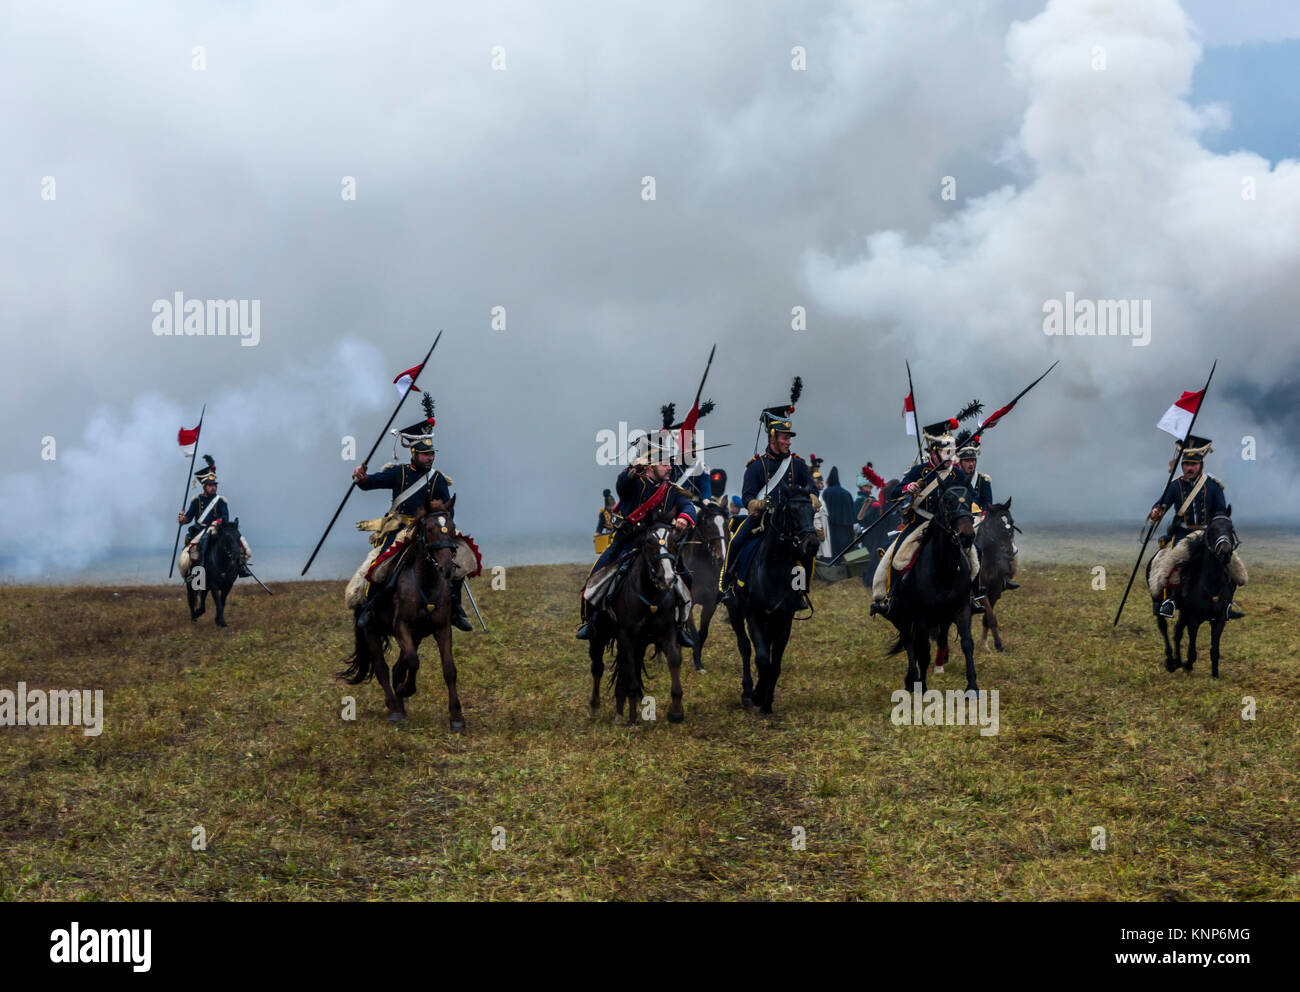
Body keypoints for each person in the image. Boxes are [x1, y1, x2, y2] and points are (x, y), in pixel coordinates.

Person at [347, 395, 472, 631]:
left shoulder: (437, 479)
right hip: (398, 531)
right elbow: (368, 482)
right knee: (379, 566)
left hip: (430, 531)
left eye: (432, 454)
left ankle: (455, 609)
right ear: (414, 453)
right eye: (426, 454)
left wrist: (446, 529)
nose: (430, 457)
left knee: (456, 561)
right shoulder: (398, 473)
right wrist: (361, 477)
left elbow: (448, 508)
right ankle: (371, 609)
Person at [576, 431, 698, 645]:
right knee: (597, 575)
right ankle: (592, 621)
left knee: (686, 578)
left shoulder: (671, 489)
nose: (670, 467)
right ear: (650, 466)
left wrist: (685, 518)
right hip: (629, 542)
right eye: (665, 464)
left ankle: (679, 625)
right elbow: (622, 484)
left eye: (670, 463)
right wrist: (634, 469)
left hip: (659, 545)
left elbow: (687, 504)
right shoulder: (633, 483)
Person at [869, 419, 980, 618]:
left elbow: (970, 497)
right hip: (919, 524)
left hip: (948, 527)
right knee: (895, 557)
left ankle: (970, 597)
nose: (950, 456)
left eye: (951, 451)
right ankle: (888, 598)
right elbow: (894, 493)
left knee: (975, 556)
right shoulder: (918, 472)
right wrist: (908, 488)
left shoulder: (957, 474)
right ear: (934, 451)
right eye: (946, 451)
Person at [719, 377, 815, 604]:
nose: (788, 442)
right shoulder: (756, 466)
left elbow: (810, 484)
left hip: (789, 522)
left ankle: (799, 590)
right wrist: (753, 504)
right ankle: (726, 585)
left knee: (806, 554)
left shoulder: (797, 464)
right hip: (761, 519)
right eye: (784, 438)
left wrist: (812, 495)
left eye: (789, 438)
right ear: (772, 437)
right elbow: (747, 495)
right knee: (736, 542)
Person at [1147, 435, 1244, 620]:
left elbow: (1221, 512)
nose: (1189, 468)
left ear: (1201, 465)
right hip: (1183, 534)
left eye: (1194, 464)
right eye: (1186, 464)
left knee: (1231, 565)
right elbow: (1161, 504)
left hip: (1208, 533)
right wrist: (1156, 512)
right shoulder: (1175, 486)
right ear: (1181, 465)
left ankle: (1227, 604)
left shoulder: (1213, 486)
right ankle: (1170, 602)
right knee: (1171, 565)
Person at [956, 435, 1019, 592]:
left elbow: (987, 503)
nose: (971, 464)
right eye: (967, 461)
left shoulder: (983, 480)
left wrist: (983, 515)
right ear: (960, 462)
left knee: (1002, 539)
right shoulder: (955, 478)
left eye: (973, 460)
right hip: (960, 519)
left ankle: (1003, 577)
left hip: (979, 518)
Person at [176, 455, 251, 579]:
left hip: (218, 529)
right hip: (201, 530)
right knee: (193, 550)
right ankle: (195, 576)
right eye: (210, 485)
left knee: (242, 545)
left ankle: (241, 567)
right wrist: (182, 520)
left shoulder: (221, 500)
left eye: (214, 485)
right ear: (204, 486)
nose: (214, 487)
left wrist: (218, 522)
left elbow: (225, 517)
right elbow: (188, 517)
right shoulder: (196, 500)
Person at [822, 466, 856, 559]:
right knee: (847, 556)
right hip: (847, 530)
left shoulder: (827, 492)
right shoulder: (847, 493)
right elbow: (853, 514)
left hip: (832, 530)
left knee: (834, 558)